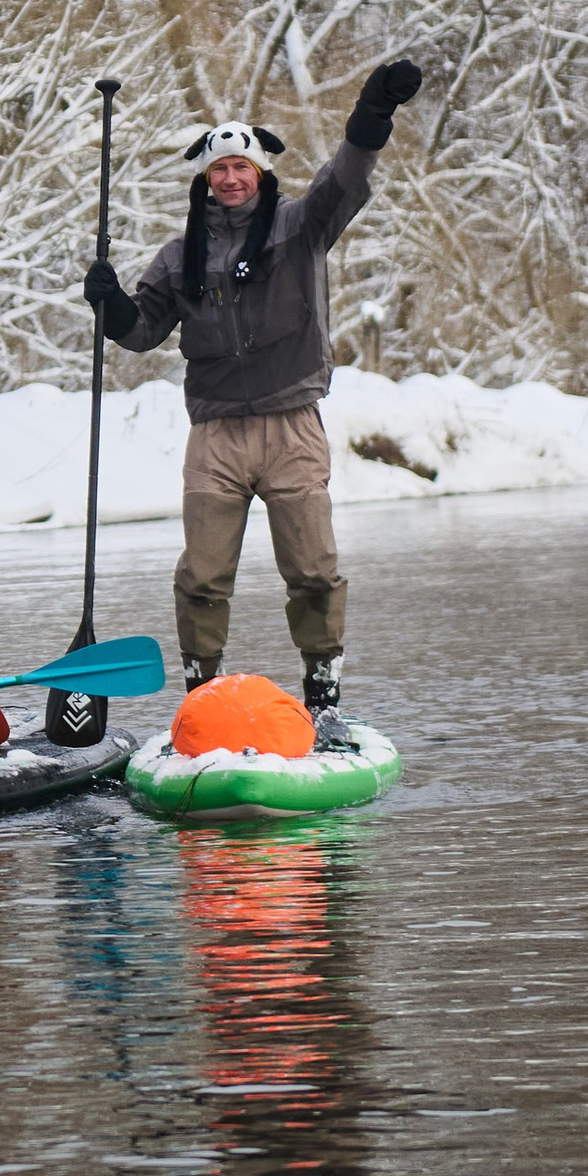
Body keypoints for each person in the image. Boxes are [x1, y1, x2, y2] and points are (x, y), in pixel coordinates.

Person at [83, 58, 425, 712]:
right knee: (203, 576)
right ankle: (202, 697)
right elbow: (143, 332)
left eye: (242, 167)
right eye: (219, 169)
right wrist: (112, 306)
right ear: (206, 180)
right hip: (215, 434)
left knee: (314, 571)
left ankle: (322, 700)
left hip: (291, 423)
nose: (232, 178)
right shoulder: (179, 255)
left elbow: (346, 178)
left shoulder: (302, 227)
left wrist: (372, 112)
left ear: (261, 172)